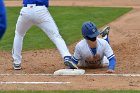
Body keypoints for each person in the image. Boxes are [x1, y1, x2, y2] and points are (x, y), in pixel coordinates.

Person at [12, 0, 78, 70]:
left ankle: (17, 62)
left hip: (26, 11)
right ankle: (67, 57)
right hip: (41, 11)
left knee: (19, 34)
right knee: (55, 36)